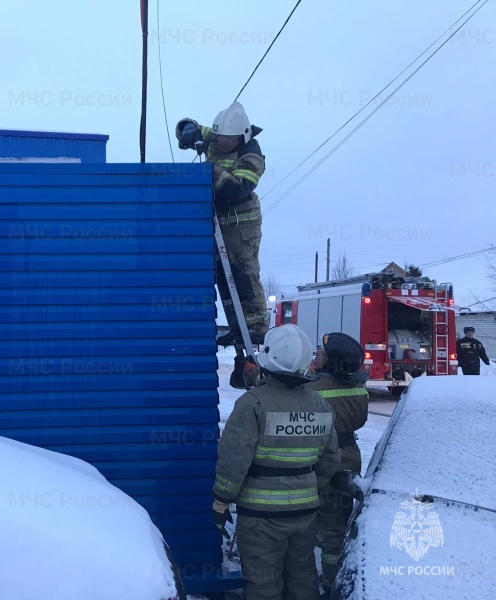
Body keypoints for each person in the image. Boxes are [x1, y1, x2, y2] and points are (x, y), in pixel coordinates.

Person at [212, 324, 341, 600]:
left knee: (264, 585)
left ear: (267, 359)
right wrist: (307, 487)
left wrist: (221, 500)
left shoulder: (253, 404)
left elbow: (234, 460)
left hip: (261, 518)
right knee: (303, 577)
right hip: (305, 514)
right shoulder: (320, 405)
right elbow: (330, 461)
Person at [175, 102, 268, 344]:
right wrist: (187, 129)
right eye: (218, 136)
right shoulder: (218, 136)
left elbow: (237, 189)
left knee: (244, 274)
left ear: (242, 136)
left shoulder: (251, 155)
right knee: (224, 278)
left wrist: (211, 170)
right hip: (218, 223)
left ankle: (257, 327)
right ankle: (237, 326)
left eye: (226, 139)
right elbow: (192, 126)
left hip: (241, 225)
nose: (220, 142)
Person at [307, 332, 369, 595]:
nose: (316, 356)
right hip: (350, 458)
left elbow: (277, 391)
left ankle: (334, 586)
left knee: (330, 530)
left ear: (331, 362)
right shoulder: (358, 387)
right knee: (340, 520)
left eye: (321, 353)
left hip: (324, 462)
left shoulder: (313, 389)